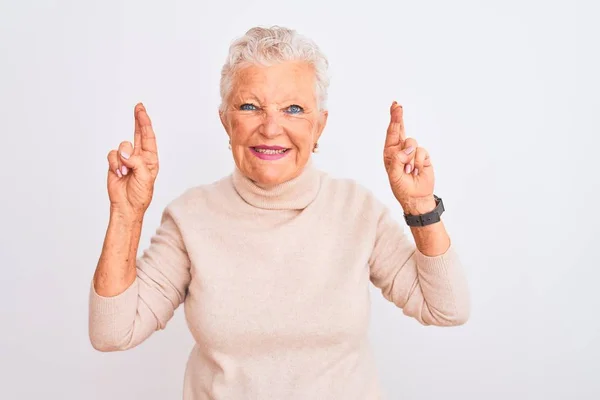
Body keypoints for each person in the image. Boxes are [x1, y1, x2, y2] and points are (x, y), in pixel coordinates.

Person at [89, 25, 470, 399]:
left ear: (319, 125)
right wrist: (127, 212)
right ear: (226, 121)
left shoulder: (357, 210)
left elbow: (446, 309)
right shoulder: (191, 219)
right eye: (250, 106)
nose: (271, 128)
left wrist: (420, 207)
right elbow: (112, 333)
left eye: (293, 109)